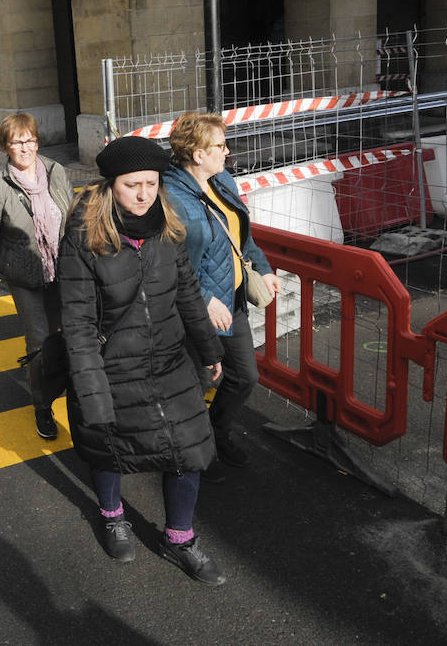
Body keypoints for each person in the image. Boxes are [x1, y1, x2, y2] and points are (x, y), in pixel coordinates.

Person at [59, 135, 226, 584]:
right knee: (109, 448)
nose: (143, 194)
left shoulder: (166, 224)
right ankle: (113, 516)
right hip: (111, 367)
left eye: (151, 183)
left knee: (187, 449)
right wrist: (91, 389)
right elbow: (75, 322)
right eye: (132, 184)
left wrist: (209, 348)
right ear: (111, 185)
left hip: (170, 361)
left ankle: (179, 539)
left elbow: (188, 292)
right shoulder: (84, 236)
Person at [162, 112, 280, 482]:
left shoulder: (222, 180)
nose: (227, 152)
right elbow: (168, 261)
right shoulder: (170, 196)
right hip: (196, 310)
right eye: (219, 146)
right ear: (197, 153)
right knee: (197, 384)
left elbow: (243, 235)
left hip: (232, 301)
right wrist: (202, 297)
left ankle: (217, 430)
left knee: (244, 376)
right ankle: (196, 452)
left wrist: (262, 268)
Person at [0, 113, 73, 441]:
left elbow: (74, 219)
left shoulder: (57, 172)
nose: (24, 147)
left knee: (66, 334)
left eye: (29, 140)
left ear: (37, 142)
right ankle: (42, 405)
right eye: (16, 142)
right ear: (5, 147)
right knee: (39, 341)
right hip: (23, 275)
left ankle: (66, 386)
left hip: (62, 271)